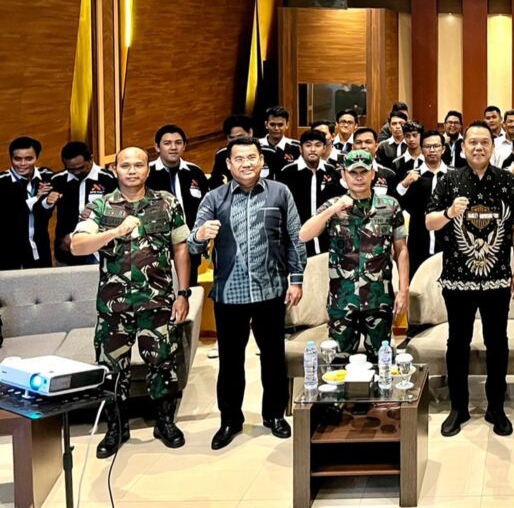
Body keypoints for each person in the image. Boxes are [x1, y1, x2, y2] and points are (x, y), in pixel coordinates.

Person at [70, 147, 191, 457]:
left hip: (157, 303)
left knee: (163, 364)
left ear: (148, 169)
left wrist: (183, 294)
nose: (133, 170)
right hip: (114, 307)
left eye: (139, 165)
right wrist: (113, 232)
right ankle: (116, 428)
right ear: (115, 170)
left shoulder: (166, 202)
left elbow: (180, 248)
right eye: (126, 165)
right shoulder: (99, 206)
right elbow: (78, 246)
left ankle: (164, 422)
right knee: (112, 369)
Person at [189, 136, 306, 450]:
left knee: (273, 357)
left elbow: (295, 238)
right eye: (238, 159)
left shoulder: (280, 192)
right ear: (229, 164)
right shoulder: (214, 198)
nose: (246, 164)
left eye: (251, 157)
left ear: (261, 160)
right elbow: (192, 244)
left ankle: (274, 415)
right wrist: (200, 236)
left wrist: (296, 280)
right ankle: (230, 420)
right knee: (230, 361)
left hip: (271, 290)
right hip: (230, 293)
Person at [425, 121, 514, 437]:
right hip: (458, 279)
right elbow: (429, 222)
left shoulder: (507, 181)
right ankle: (459, 407)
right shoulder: (449, 180)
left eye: (484, 142)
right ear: (463, 146)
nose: (479, 147)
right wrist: (449, 213)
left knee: (498, 343)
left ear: (493, 147)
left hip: (497, 279)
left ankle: (496, 407)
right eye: (473, 142)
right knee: (458, 343)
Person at [300, 149, 409, 359]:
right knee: (338, 362)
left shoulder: (390, 206)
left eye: (363, 172)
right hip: (342, 300)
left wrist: (403, 290)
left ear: (373, 174)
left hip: (379, 299)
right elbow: (304, 235)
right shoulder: (333, 205)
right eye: (353, 172)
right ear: (344, 175)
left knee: (381, 361)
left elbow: (401, 250)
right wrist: (334, 209)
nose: (358, 177)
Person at [147, 124, 209, 285]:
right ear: (157, 147)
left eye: (178, 143)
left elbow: (206, 207)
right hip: (156, 247)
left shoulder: (195, 172)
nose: (173, 147)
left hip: (190, 245)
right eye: (167, 143)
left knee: (189, 291)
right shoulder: (147, 173)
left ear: (184, 146)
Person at [48, 142, 118, 266]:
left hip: (97, 247)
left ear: (90, 159)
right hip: (66, 247)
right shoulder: (57, 180)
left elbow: (114, 213)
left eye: (80, 168)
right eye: (70, 169)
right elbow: (44, 213)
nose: (76, 172)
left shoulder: (107, 179)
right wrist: (47, 202)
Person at [277, 130, 340, 258]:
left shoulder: (332, 172)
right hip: (296, 238)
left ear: (324, 148)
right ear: (300, 149)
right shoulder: (287, 172)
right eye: (308, 145)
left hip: (326, 239)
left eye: (318, 145)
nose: (313, 149)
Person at [396, 130, 449, 276]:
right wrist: (404, 184)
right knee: (417, 284)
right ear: (421, 149)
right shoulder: (411, 175)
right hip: (418, 240)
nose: (432, 150)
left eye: (436, 146)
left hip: (447, 241)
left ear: (443, 149)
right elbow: (396, 203)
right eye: (427, 146)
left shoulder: (454, 176)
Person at [1, 136, 55, 270]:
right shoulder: (2, 181)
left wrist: (50, 200)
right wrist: (36, 197)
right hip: (8, 250)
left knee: (42, 283)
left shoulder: (47, 176)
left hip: (41, 247)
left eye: (29, 159)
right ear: (11, 158)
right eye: (17, 159)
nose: (23, 164)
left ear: (37, 157)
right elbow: (10, 213)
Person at [209, 115, 282, 188]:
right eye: (232, 138)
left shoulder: (270, 153)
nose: (237, 142)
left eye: (240, 137)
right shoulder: (222, 155)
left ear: (250, 132)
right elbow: (215, 182)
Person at [353, 127, 398, 198]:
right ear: (352, 147)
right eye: (358, 142)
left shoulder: (388, 174)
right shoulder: (341, 173)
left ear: (376, 146)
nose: (363, 146)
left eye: (368, 142)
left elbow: (394, 200)